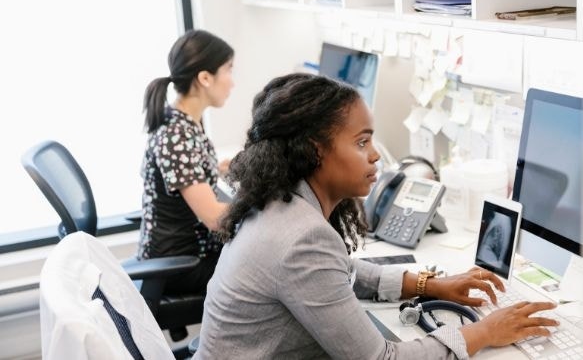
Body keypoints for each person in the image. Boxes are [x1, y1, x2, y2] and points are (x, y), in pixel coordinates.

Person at [193, 73, 558, 359]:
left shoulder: (280, 204)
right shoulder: (301, 237)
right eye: (361, 142)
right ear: (315, 151)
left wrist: (426, 284)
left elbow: (338, 274)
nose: (375, 157)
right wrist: (484, 332)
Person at [138, 29, 234, 295]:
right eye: (228, 70)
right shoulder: (176, 135)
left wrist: (218, 169)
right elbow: (215, 218)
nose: (232, 81)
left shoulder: (181, 121)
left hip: (186, 255)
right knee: (269, 270)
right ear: (205, 78)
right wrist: (259, 200)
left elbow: (185, 172)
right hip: (182, 266)